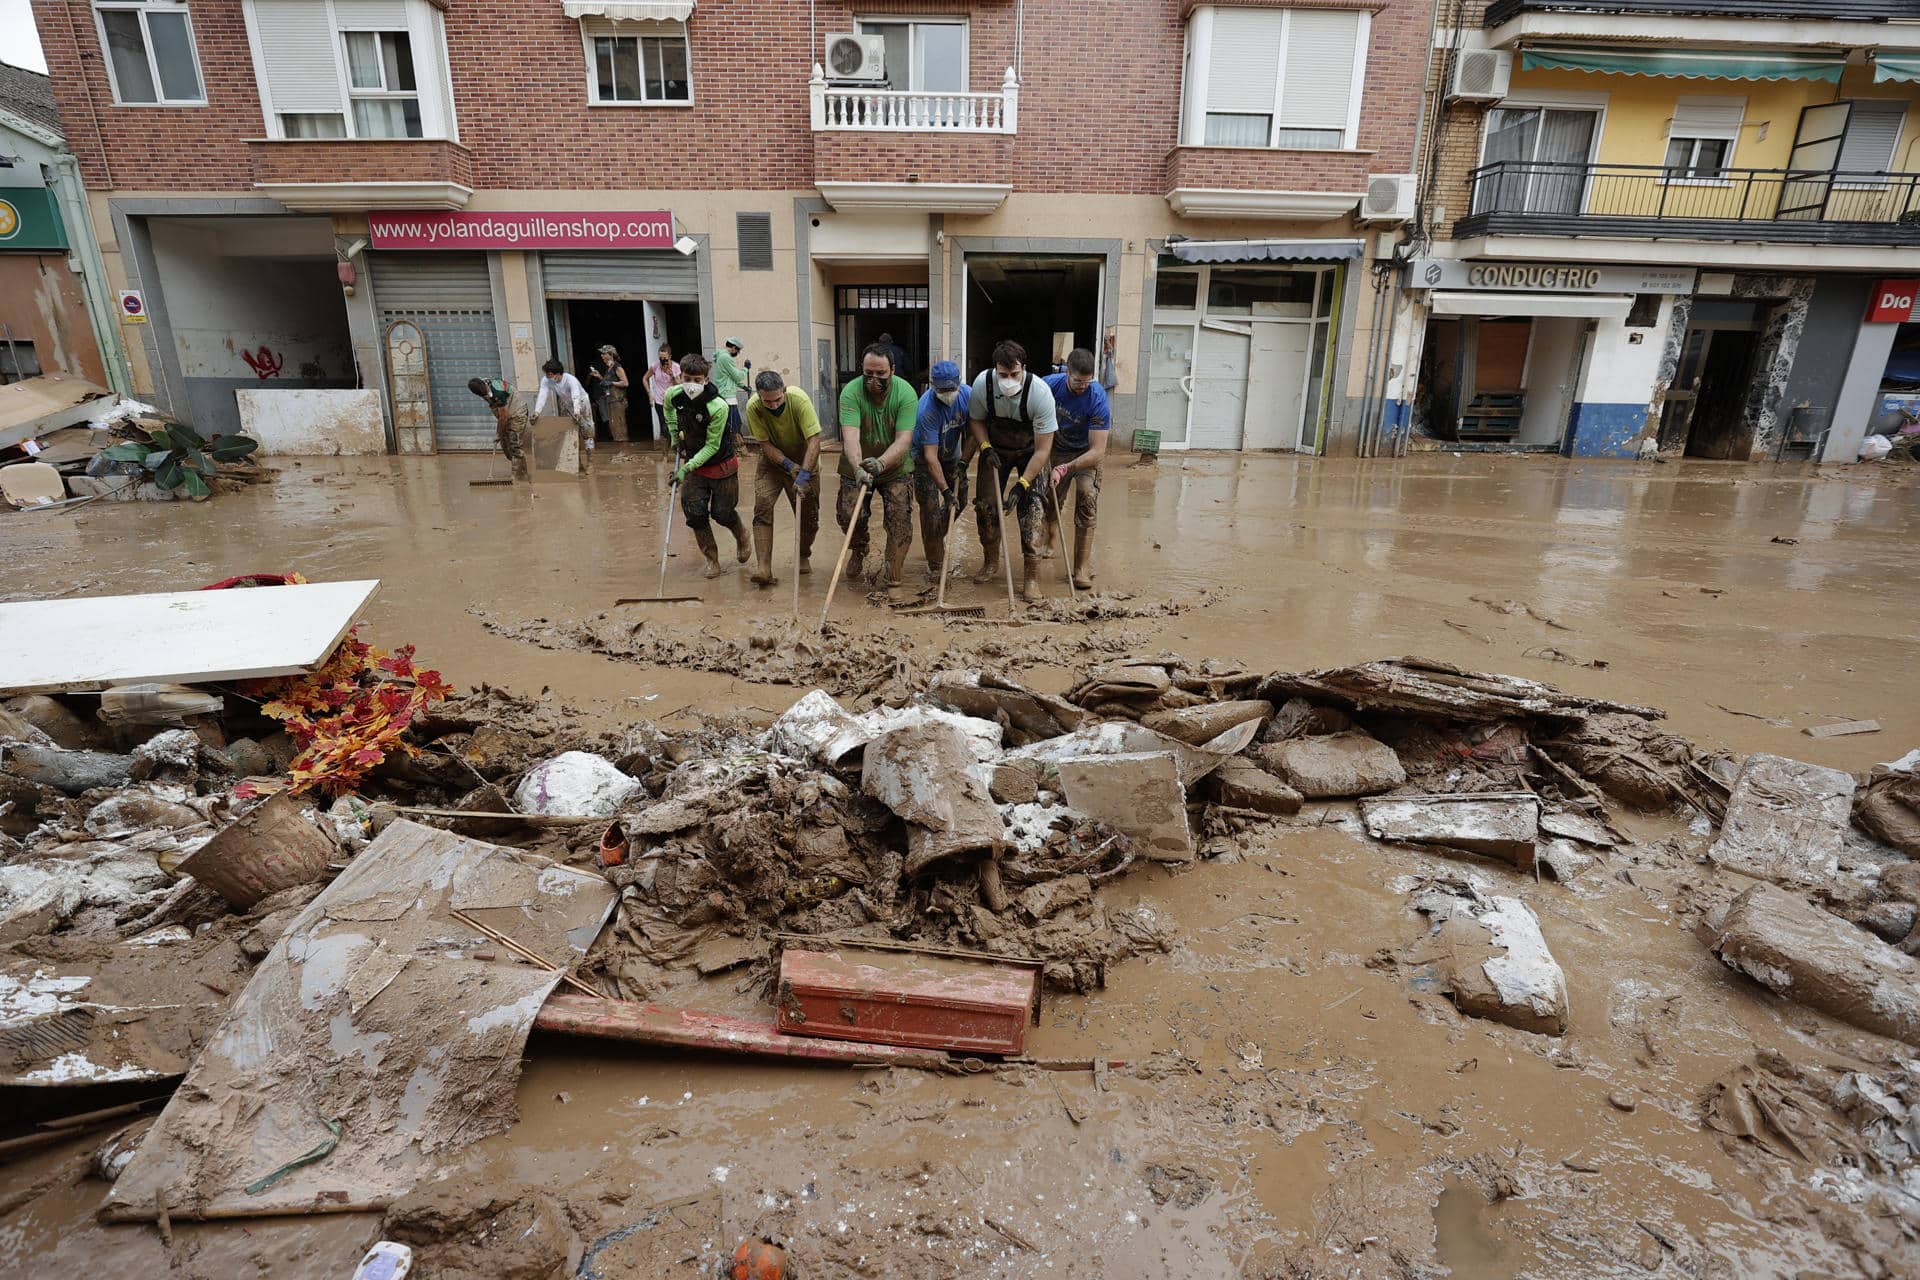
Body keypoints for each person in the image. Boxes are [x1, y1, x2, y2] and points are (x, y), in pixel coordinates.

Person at [968, 339, 1057, 602]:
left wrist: (1023, 484)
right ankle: (991, 562)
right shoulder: (982, 385)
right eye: (1003, 375)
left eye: (1014, 374)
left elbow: (1043, 450)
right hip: (996, 449)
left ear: (1023, 369)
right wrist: (984, 447)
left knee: (1033, 510)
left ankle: (1031, 576)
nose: (1008, 380)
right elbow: (976, 420)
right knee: (985, 507)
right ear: (995, 369)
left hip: (1032, 452)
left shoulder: (1039, 393)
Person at [836, 342, 917, 588]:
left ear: (892, 369)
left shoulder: (906, 393)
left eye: (880, 374)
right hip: (857, 463)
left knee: (900, 518)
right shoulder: (850, 392)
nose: (874, 379)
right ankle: (859, 549)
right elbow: (850, 437)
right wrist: (859, 468)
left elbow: (904, 439)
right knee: (849, 514)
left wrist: (881, 463)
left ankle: (894, 568)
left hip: (894, 467)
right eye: (868, 373)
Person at [664, 353, 749, 578]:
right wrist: (674, 435)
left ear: (706, 380)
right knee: (695, 513)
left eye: (697, 380)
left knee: (722, 513)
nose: (691, 384)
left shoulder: (717, 406)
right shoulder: (673, 395)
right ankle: (711, 559)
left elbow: (712, 446)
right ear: (680, 376)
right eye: (687, 378)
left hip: (721, 465)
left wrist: (684, 469)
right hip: (694, 467)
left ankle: (741, 535)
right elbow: (668, 412)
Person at [743, 369, 821, 586]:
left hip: (806, 459)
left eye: (777, 399)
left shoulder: (799, 400)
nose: (774, 405)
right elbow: (764, 444)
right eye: (768, 401)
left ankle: (803, 554)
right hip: (773, 462)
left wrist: (803, 474)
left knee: (808, 517)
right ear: (759, 396)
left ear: (784, 391)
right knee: (762, 507)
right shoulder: (754, 407)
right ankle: (764, 568)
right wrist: (787, 465)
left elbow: (814, 441)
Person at [1043, 347, 1110, 590]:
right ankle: (1049, 538)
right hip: (1057, 449)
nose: (1083, 386)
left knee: (1087, 498)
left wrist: (1066, 468)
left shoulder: (1097, 398)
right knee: (1051, 500)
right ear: (1067, 372)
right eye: (1077, 381)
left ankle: (1080, 568)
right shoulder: (1049, 386)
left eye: (1087, 381)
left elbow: (1098, 450)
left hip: (1086, 455)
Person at [911, 359, 972, 581]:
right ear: (933, 386)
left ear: (959, 383)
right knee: (930, 508)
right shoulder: (926, 409)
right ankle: (936, 565)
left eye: (951, 389)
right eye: (942, 390)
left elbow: (974, 432)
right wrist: (945, 491)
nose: (947, 394)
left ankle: (934, 537)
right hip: (923, 458)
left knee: (961, 499)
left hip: (952, 456)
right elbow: (930, 457)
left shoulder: (967, 395)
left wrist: (964, 463)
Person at [533, 358, 594, 471]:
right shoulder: (546, 380)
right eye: (546, 374)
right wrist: (537, 412)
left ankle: (590, 463)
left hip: (581, 402)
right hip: (566, 404)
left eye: (550, 374)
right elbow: (542, 395)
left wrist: (577, 412)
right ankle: (577, 463)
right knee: (569, 433)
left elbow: (576, 396)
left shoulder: (571, 380)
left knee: (587, 431)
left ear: (558, 373)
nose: (548, 377)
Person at [467, 375, 527, 480]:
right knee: (506, 446)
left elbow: (503, 417)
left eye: (485, 393)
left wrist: (498, 434)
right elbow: (501, 414)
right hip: (505, 411)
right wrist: (500, 435)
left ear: (485, 385)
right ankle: (523, 470)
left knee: (515, 444)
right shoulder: (481, 385)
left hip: (517, 411)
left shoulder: (497, 392)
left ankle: (517, 477)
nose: (484, 396)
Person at [586, 344, 629, 443]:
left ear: (611, 355)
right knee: (614, 426)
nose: (601, 356)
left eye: (603, 353)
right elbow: (607, 382)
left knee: (619, 426)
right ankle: (620, 453)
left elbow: (625, 382)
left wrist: (611, 382)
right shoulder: (609, 367)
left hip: (618, 401)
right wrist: (600, 377)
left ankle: (624, 453)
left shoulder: (617, 367)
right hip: (611, 400)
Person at [645, 344, 680, 442]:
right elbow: (645, 378)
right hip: (659, 401)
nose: (663, 360)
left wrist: (672, 375)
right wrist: (650, 394)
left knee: (675, 426)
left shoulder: (676, 367)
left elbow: (680, 385)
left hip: (673, 401)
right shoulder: (655, 366)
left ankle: (677, 451)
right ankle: (665, 454)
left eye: (665, 358)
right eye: (660, 358)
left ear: (670, 357)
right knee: (664, 428)